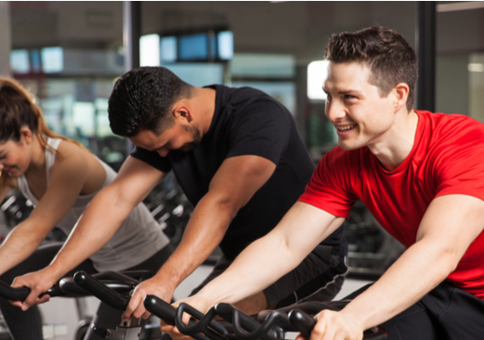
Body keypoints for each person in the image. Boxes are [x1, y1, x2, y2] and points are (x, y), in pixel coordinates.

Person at [163, 26, 484, 340]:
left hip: (470, 296)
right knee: (316, 330)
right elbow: (285, 244)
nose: (332, 112)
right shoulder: (343, 163)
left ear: (397, 96)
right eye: (329, 96)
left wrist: (353, 317)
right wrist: (204, 300)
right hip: (440, 292)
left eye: (349, 98)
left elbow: (440, 249)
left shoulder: (465, 146)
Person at [12, 66, 349, 322]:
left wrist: (165, 279)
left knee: (207, 324)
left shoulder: (258, 117)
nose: (162, 156)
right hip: (243, 258)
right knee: (182, 327)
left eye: (164, 146)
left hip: (312, 256)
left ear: (183, 113)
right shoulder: (169, 131)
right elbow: (116, 198)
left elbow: (222, 202)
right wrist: (51, 273)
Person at [0, 78, 173, 340]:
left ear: (25, 135)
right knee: (9, 277)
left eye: (2, 156)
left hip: (141, 261)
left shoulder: (68, 161)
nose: (1, 166)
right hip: (95, 256)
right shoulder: (16, 168)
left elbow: (35, 229)